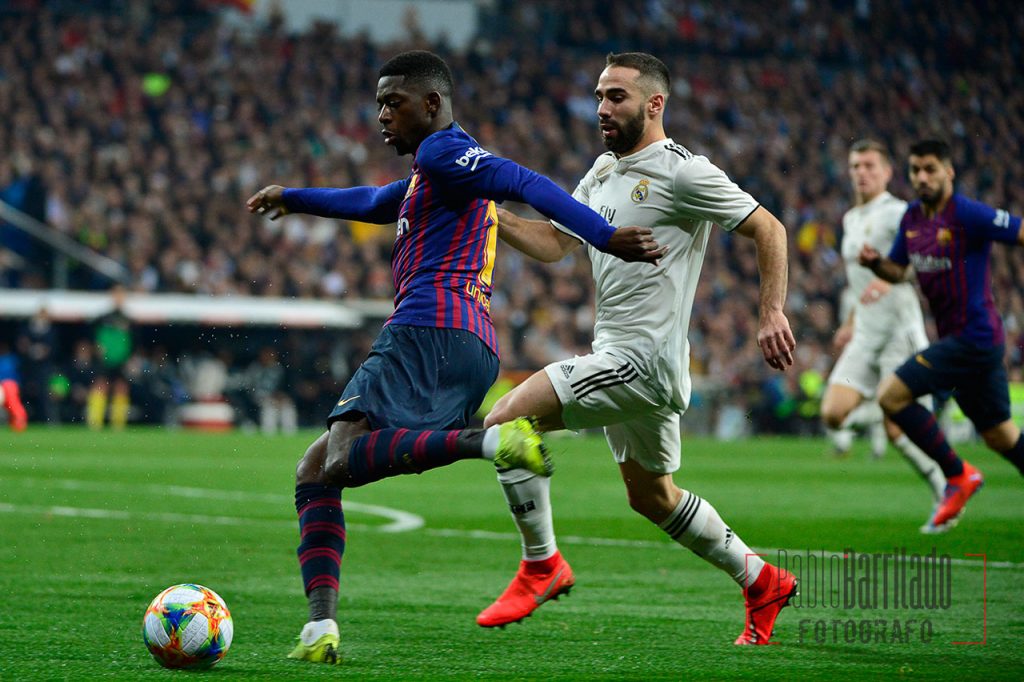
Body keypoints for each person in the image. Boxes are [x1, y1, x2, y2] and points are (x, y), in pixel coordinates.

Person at [246, 50, 664, 665]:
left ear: (432, 104)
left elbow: (521, 181)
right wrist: (295, 197)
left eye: (394, 103)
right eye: (379, 103)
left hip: (427, 329)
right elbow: (371, 201)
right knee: (318, 470)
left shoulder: (446, 152)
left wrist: (604, 236)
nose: (382, 115)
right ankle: (319, 627)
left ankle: (489, 442)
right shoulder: (430, 173)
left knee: (336, 455)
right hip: (468, 343)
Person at [479, 52, 798, 645]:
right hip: (628, 359)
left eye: (616, 96)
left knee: (505, 422)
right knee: (653, 497)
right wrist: (489, 214)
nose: (602, 107)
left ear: (655, 104)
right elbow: (554, 243)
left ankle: (541, 565)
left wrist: (771, 311)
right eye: (600, 95)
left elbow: (769, 228)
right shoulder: (602, 172)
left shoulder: (683, 172)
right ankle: (762, 580)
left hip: (640, 361)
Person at [859, 138, 1024, 533]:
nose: (922, 177)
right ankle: (960, 474)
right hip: (965, 343)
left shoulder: (968, 214)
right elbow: (898, 271)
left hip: (974, 338)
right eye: (915, 170)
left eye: (930, 169)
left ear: (949, 171)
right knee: (1000, 436)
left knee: (890, 395)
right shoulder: (912, 218)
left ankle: (958, 475)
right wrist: (877, 264)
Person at [819, 139, 946, 520]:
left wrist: (889, 279)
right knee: (832, 413)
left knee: (901, 432)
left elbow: (924, 261)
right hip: (865, 332)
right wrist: (850, 321)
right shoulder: (850, 219)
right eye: (856, 166)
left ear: (888, 172)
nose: (862, 172)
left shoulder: (898, 213)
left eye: (870, 165)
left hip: (897, 332)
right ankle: (886, 411)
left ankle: (945, 488)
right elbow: (859, 283)